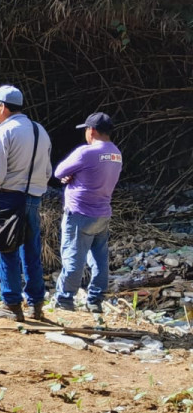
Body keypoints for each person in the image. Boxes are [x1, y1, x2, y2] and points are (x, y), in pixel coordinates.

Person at [0, 84, 53, 321]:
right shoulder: (40, 130)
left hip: (9, 196)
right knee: (31, 251)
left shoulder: (4, 131)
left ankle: (11, 304)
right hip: (34, 197)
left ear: (3, 107)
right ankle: (36, 305)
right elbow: (48, 170)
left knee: (7, 249)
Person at [52, 112, 123, 313]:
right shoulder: (116, 154)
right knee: (99, 259)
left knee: (74, 259)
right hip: (102, 213)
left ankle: (65, 300)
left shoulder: (86, 152)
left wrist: (70, 177)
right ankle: (95, 301)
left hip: (80, 213)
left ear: (91, 130)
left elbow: (59, 172)